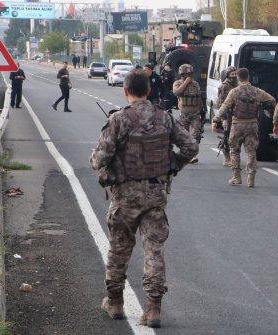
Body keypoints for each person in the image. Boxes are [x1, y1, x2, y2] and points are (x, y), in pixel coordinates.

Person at [90, 69, 198, 328]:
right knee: (154, 252)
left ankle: (115, 303)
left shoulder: (118, 120)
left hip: (125, 197)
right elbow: (191, 148)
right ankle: (153, 309)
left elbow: (99, 160)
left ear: (125, 91)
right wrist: (172, 164)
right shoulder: (166, 118)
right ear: (149, 91)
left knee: (119, 249)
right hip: (155, 195)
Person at [212, 68, 276, 187]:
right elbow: (272, 100)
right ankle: (251, 178)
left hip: (237, 124)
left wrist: (215, 120)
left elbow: (224, 106)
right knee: (251, 151)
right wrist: (271, 113)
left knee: (235, 151)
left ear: (238, 77)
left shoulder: (234, 92)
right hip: (252, 124)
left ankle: (236, 177)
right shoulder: (257, 91)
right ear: (248, 77)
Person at [173, 64, 202, 163]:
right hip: (184, 114)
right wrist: (185, 83)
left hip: (195, 114)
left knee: (194, 135)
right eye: (186, 73)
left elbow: (199, 98)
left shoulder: (196, 84)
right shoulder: (177, 83)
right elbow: (177, 92)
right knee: (185, 136)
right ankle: (186, 154)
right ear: (182, 74)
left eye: (190, 73)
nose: (189, 75)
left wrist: (202, 110)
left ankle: (192, 156)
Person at [216, 66, 238, 167]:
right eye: (232, 74)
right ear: (227, 75)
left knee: (235, 137)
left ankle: (233, 157)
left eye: (235, 74)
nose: (234, 76)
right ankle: (227, 157)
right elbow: (221, 104)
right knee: (227, 136)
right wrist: (223, 118)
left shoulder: (237, 85)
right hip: (227, 114)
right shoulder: (225, 86)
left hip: (236, 114)